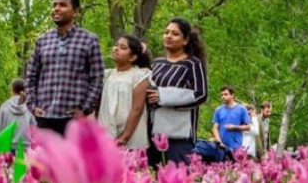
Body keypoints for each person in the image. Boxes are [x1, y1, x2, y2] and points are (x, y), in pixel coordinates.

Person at [25, 0, 105, 135]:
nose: (56, 8)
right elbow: (31, 75)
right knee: (43, 158)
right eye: (54, 5)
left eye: (62, 5)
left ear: (75, 12)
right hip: (44, 116)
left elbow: (97, 78)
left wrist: (85, 109)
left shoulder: (89, 40)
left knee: (73, 158)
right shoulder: (42, 40)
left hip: (73, 119)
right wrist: (32, 105)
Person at [146, 17, 208, 165]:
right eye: (166, 32)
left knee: (178, 177)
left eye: (175, 34)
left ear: (185, 40)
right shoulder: (156, 63)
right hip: (153, 130)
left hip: (179, 134)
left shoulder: (192, 64)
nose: (168, 36)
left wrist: (164, 97)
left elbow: (201, 94)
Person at [97, 35, 151, 149]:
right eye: (116, 45)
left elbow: (137, 109)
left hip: (130, 138)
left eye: (122, 47)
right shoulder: (108, 75)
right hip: (107, 136)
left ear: (132, 57)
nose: (116, 48)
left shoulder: (139, 76)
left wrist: (124, 138)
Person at [0, 78, 36, 150]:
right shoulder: (29, 106)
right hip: (25, 147)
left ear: (12, 90)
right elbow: (34, 128)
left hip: (8, 146)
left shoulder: (4, 106)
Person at [212, 86, 250, 151]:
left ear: (232, 95)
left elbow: (248, 127)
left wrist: (234, 127)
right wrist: (219, 142)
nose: (223, 97)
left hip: (236, 146)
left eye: (226, 94)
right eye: (222, 95)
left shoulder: (241, 109)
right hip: (221, 147)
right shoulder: (218, 110)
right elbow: (215, 127)